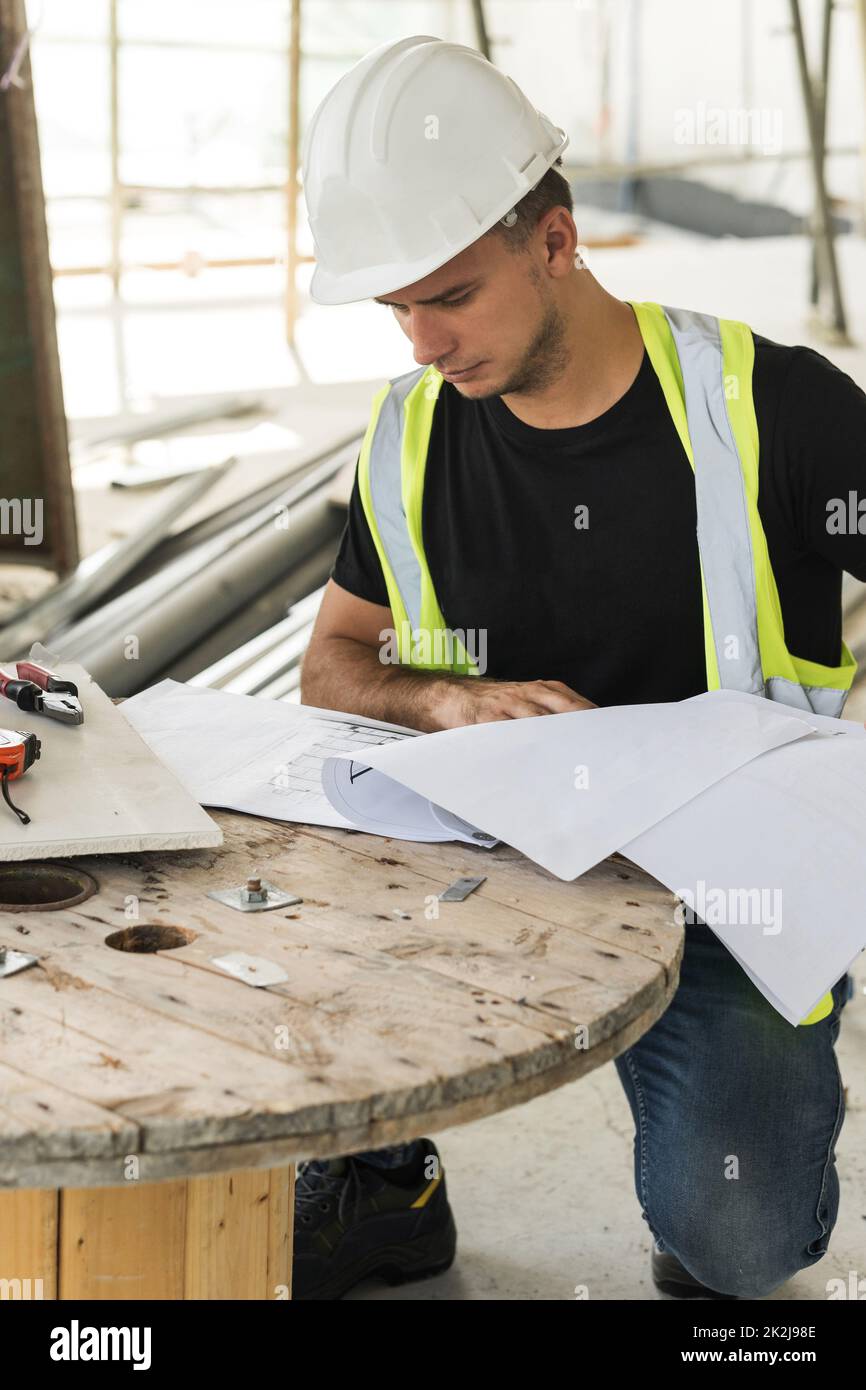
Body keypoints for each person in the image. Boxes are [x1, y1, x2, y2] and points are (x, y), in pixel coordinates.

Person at [294, 34, 863, 1301]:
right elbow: (332, 664)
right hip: (486, 855)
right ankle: (388, 1183)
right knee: (270, 904)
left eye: (448, 294)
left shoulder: (769, 406)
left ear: (553, 241)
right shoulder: (411, 437)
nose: (421, 342)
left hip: (723, 886)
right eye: (395, 308)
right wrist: (439, 694)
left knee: (740, 1243)